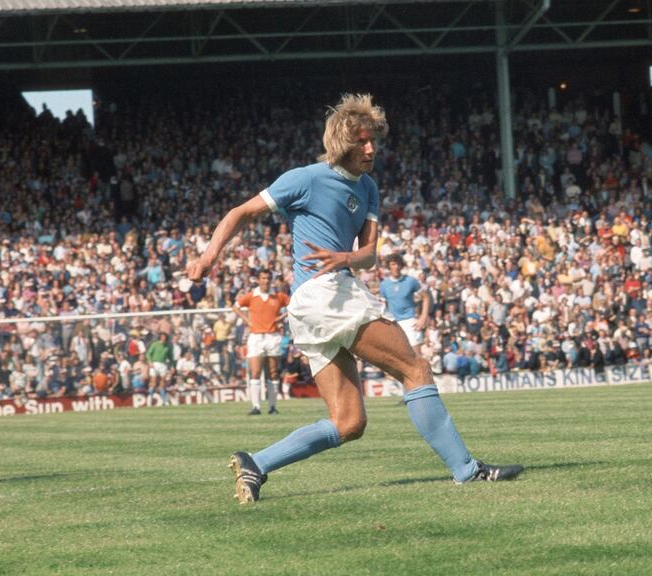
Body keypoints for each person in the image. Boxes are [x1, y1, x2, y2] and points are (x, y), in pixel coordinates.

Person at [187, 94, 522, 504]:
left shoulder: (368, 188)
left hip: (318, 302)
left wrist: (347, 256)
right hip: (324, 294)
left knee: (349, 422)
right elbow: (240, 212)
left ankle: (256, 462)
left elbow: (370, 254)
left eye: (373, 140)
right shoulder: (305, 178)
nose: (371, 149)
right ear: (342, 143)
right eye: (362, 141)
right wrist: (208, 255)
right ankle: (467, 471)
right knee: (415, 368)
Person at [233, 270, 289, 415]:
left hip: (273, 336)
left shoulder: (278, 296)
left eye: (268, 278)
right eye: (263, 278)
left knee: (273, 372)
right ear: (258, 280)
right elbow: (235, 306)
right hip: (256, 337)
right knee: (255, 372)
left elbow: (293, 306)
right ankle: (256, 407)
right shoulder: (252, 296)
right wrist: (246, 320)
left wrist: (282, 317)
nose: (266, 280)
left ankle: (272, 407)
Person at [379, 253, 430, 401]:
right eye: (392, 264)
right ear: (389, 266)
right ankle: (407, 395)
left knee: (416, 358)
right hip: (394, 323)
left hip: (410, 321)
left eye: (398, 264)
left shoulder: (411, 281)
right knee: (400, 360)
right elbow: (383, 306)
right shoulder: (384, 285)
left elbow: (426, 298)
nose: (395, 267)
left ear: (401, 265)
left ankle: (424, 394)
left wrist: (423, 318)